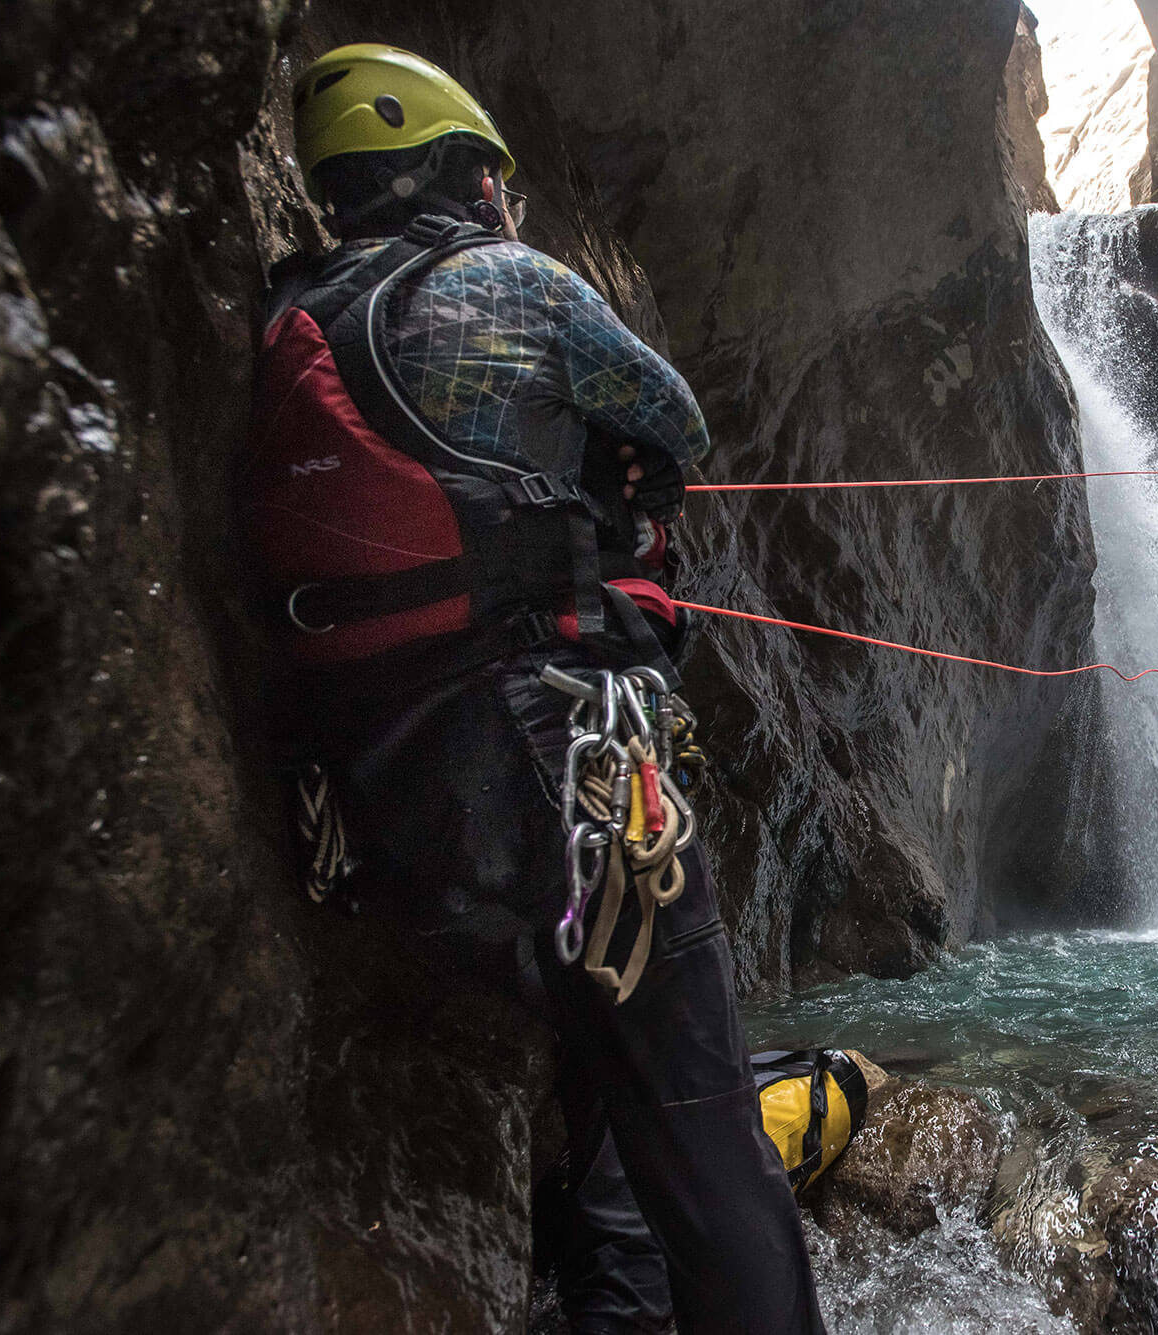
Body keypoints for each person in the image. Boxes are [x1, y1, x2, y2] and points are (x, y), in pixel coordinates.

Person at [245, 44, 826, 1333]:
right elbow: (675, 420)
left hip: (381, 799)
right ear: (459, 173)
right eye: (487, 176)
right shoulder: (506, 279)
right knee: (698, 1116)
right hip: (564, 770)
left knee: (591, 1061)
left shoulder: (285, 319)